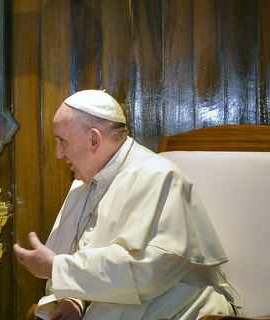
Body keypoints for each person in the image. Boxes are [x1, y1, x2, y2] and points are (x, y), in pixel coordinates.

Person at [13, 90, 241, 320]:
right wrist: (76, 301)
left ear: (94, 139)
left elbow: (147, 275)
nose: (58, 154)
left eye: (62, 141)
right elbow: (94, 263)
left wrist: (57, 269)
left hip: (179, 308)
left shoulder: (159, 176)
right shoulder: (84, 183)